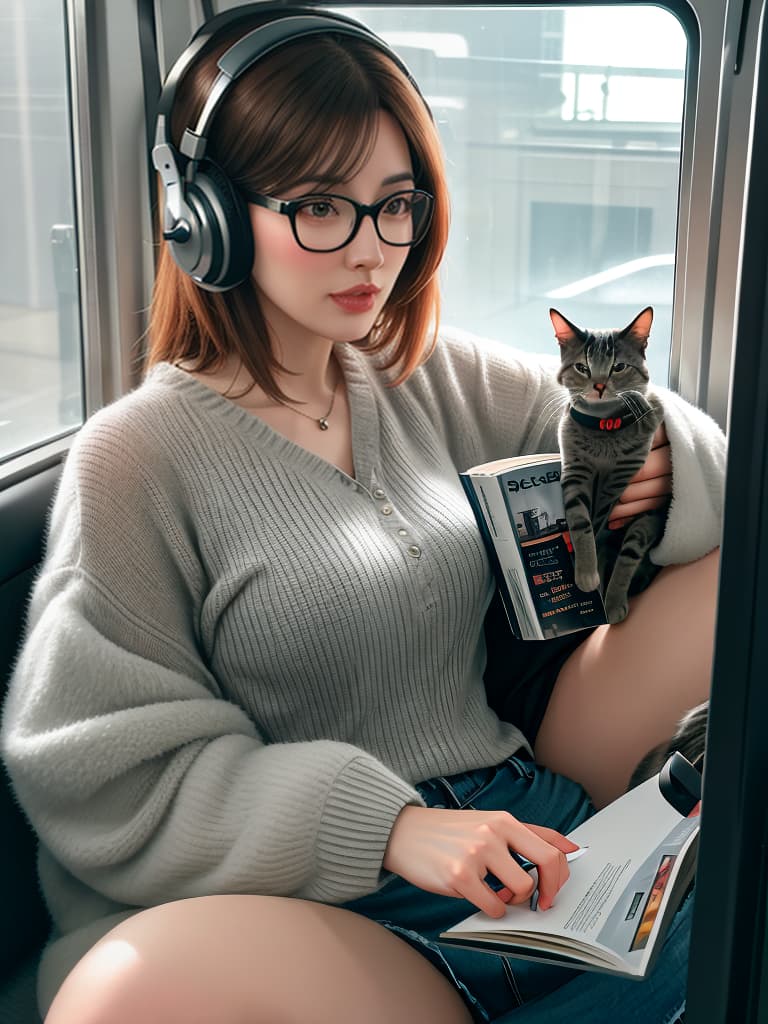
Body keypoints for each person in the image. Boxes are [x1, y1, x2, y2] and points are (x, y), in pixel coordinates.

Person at [1, 7, 724, 1023]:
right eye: (320, 208)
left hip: (532, 841)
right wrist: (385, 824)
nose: (371, 251)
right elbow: (104, 770)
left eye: (395, 206)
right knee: (125, 994)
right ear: (203, 215)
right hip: (336, 904)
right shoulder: (135, 458)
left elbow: (656, 441)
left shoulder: (426, 373)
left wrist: (649, 459)